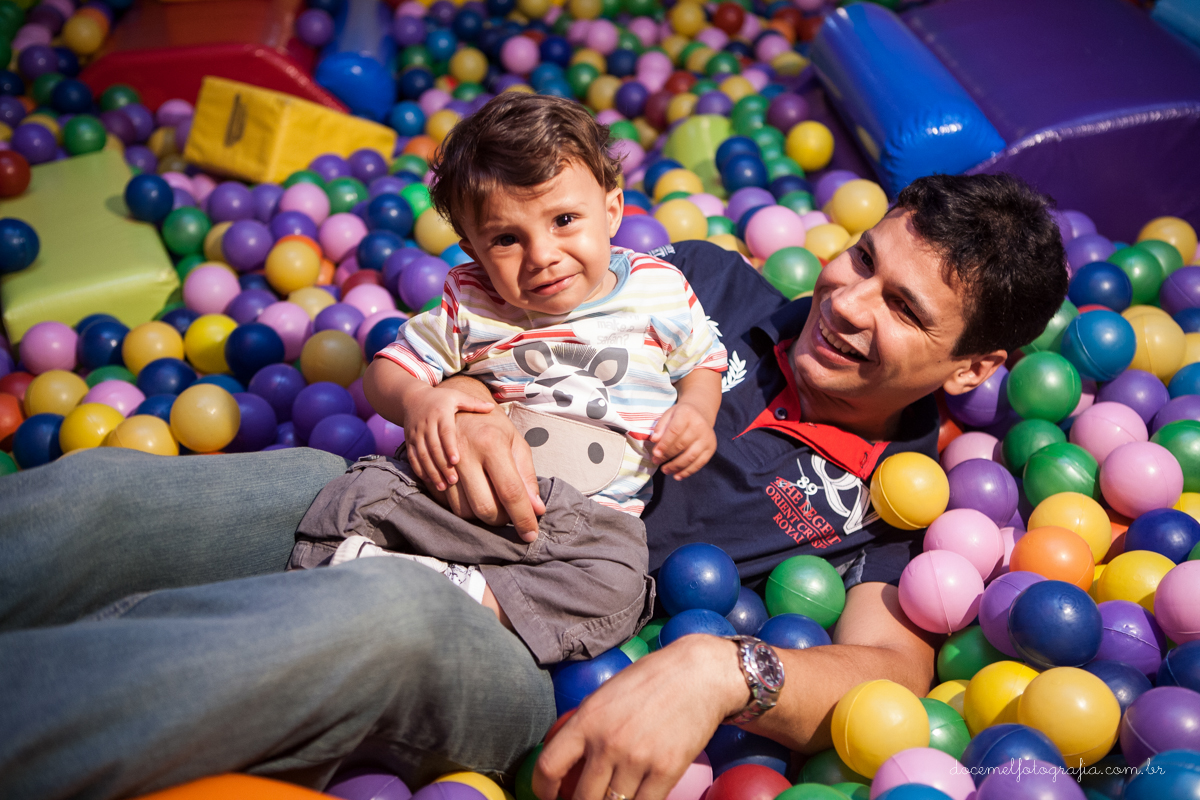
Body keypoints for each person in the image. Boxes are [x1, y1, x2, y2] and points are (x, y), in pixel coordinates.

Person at [0, 172, 1066, 800]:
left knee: (388, 616)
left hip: (534, 652)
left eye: (905, 308)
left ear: (974, 368)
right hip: (404, 497)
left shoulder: (899, 503)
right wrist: (445, 402)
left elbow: (889, 666)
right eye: (862, 258)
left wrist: (718, 667)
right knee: (107, 494)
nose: (846, 300)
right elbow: (479, 334)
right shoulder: (704, 286)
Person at [288, 94, 727, 665]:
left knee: (617, 586)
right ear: (472, 248)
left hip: (584, 526)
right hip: (460, 493)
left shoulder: (658, 288)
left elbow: (702, 362)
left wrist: (696, 412)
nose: (542, 255)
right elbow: (386, 372)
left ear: (612, 209)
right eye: (506, 239)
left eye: (564, 221)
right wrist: (419, 401)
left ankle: (445, 592)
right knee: (353, 497)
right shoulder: (471, 301)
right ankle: (425, 585)